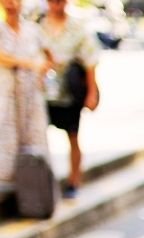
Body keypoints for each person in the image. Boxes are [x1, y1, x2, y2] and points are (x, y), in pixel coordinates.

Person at [40, 0, 98, 199]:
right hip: (44, 92)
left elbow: (90, 61)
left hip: (70, 92)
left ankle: (74, 180)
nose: (56, 5)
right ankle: (43, 184)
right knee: (40, 138)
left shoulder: (77, 28)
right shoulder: (38, 25)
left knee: (72, 136)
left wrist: (92, 92)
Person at [0, 0, 52, 188]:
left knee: (34, 142)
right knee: (7, 142)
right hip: (6, 96)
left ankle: (34, 189)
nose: (11, 4)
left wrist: (42, 71)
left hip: (31, 96)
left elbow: (49, 56)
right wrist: (29, 64)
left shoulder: (33, 30)